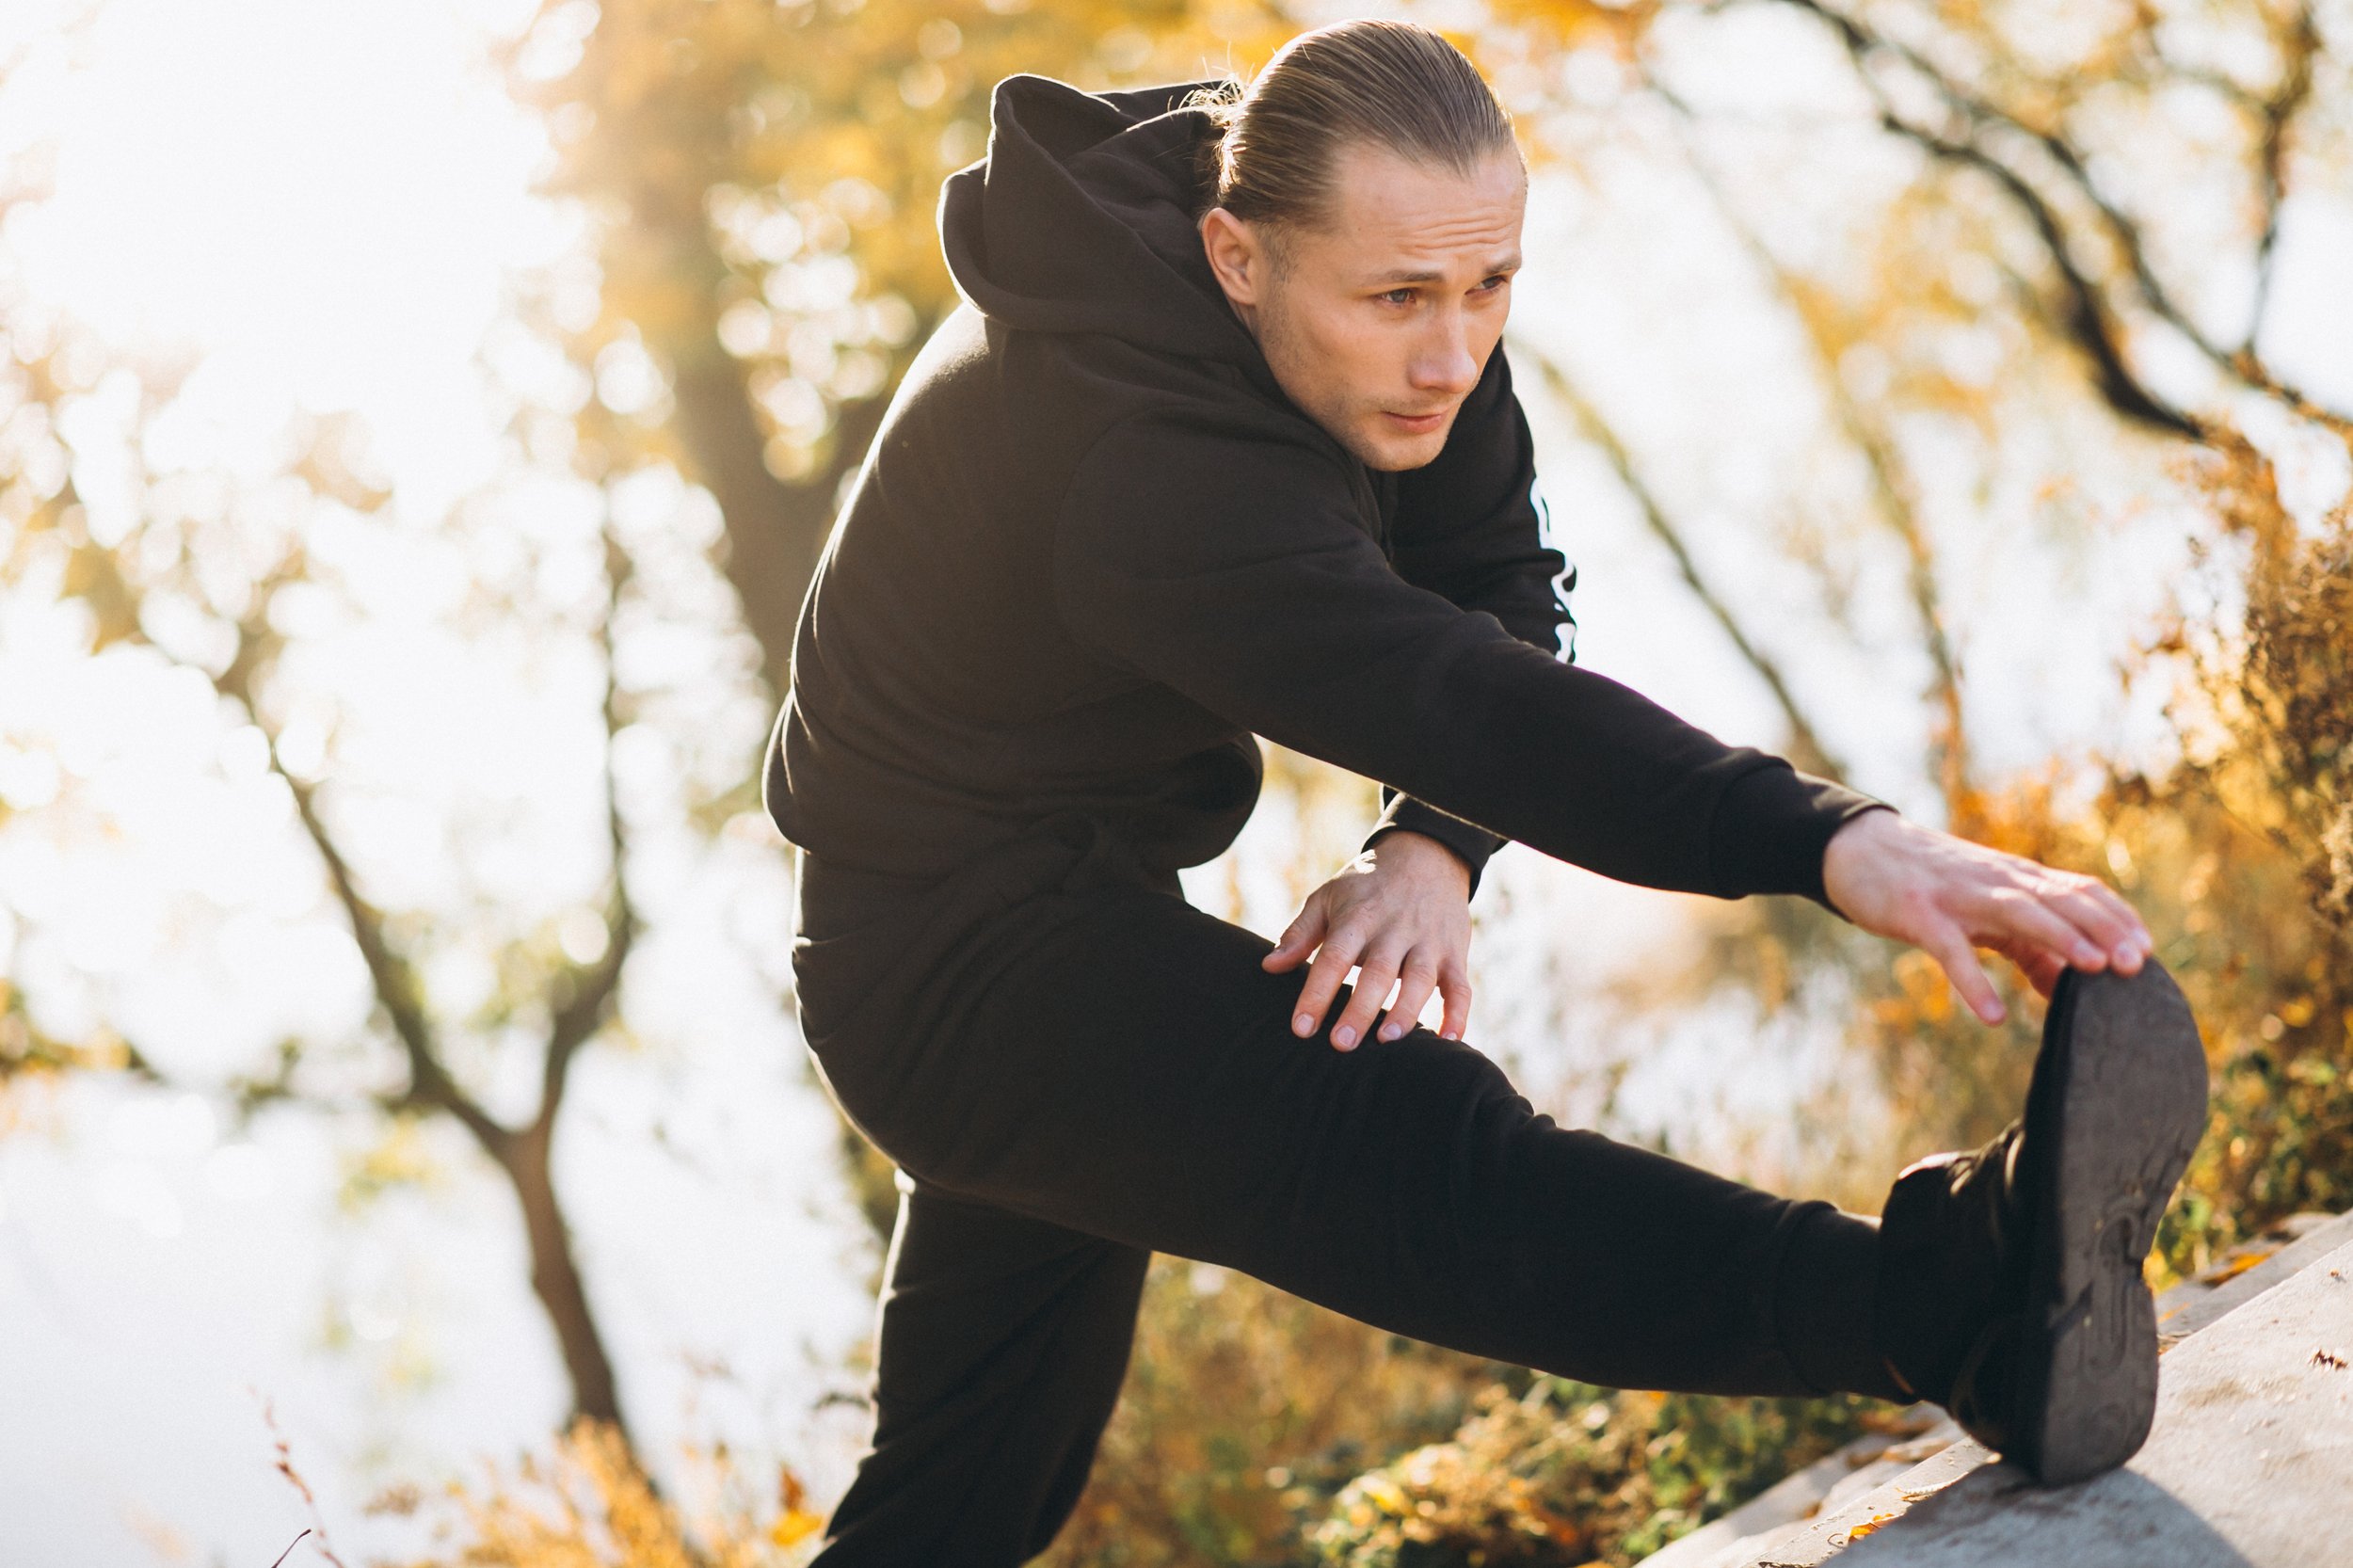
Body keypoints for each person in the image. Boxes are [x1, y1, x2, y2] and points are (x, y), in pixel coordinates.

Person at [760, 21, 2209, 1564]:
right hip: (944, 964)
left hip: (1089, 890)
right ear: (1232, 256)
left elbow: (1496, 584)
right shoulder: (1133, 460)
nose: (1452, 355)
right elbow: (1463, 694)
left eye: (1492, 286)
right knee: (1386, 1135)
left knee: (960, 1496)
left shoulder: (1363, 268)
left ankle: (1972, 1309)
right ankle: (1959, 1307)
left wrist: (1431, 845)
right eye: (1402, 301)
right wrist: (1834, 836)